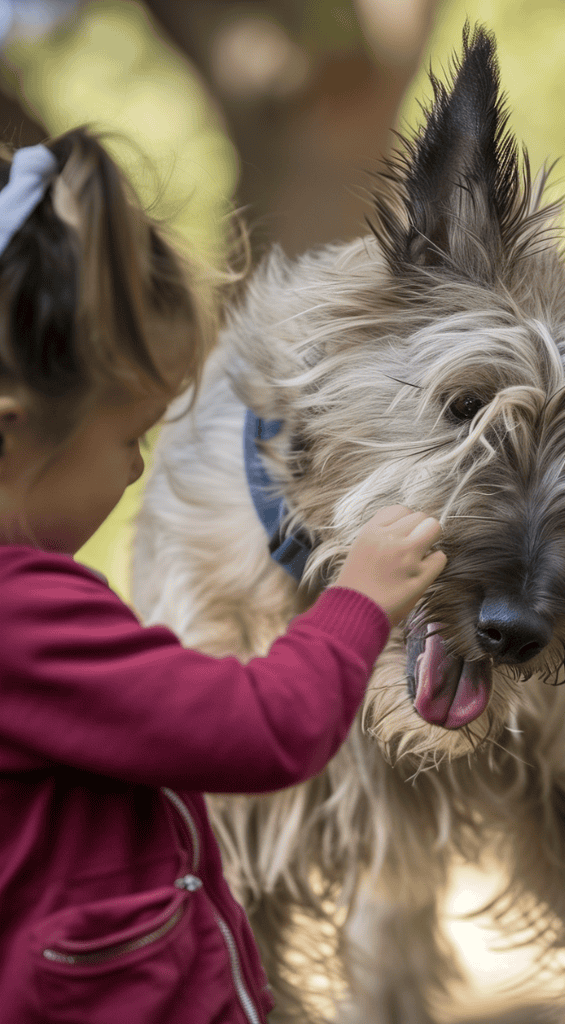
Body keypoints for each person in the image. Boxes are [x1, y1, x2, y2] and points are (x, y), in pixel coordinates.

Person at [0, 129, 446, 1022]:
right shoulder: (24, 617)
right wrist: (357, 602)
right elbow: (257, 731)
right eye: (130, 437)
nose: (136, 472)